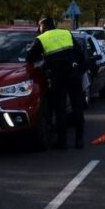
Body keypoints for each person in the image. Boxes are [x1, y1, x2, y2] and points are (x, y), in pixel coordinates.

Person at [26, 17, 87, 150]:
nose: (39, 29)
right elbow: (79, 53)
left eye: (39, 26)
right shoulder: (66, 33)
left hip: (58, 77)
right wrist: (80, 70)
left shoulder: (42, 38)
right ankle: (79, 140)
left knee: (60, 109)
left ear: (44, 26)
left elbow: (30, 57)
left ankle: (62, 142)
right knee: (77, 106)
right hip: (73, 74)